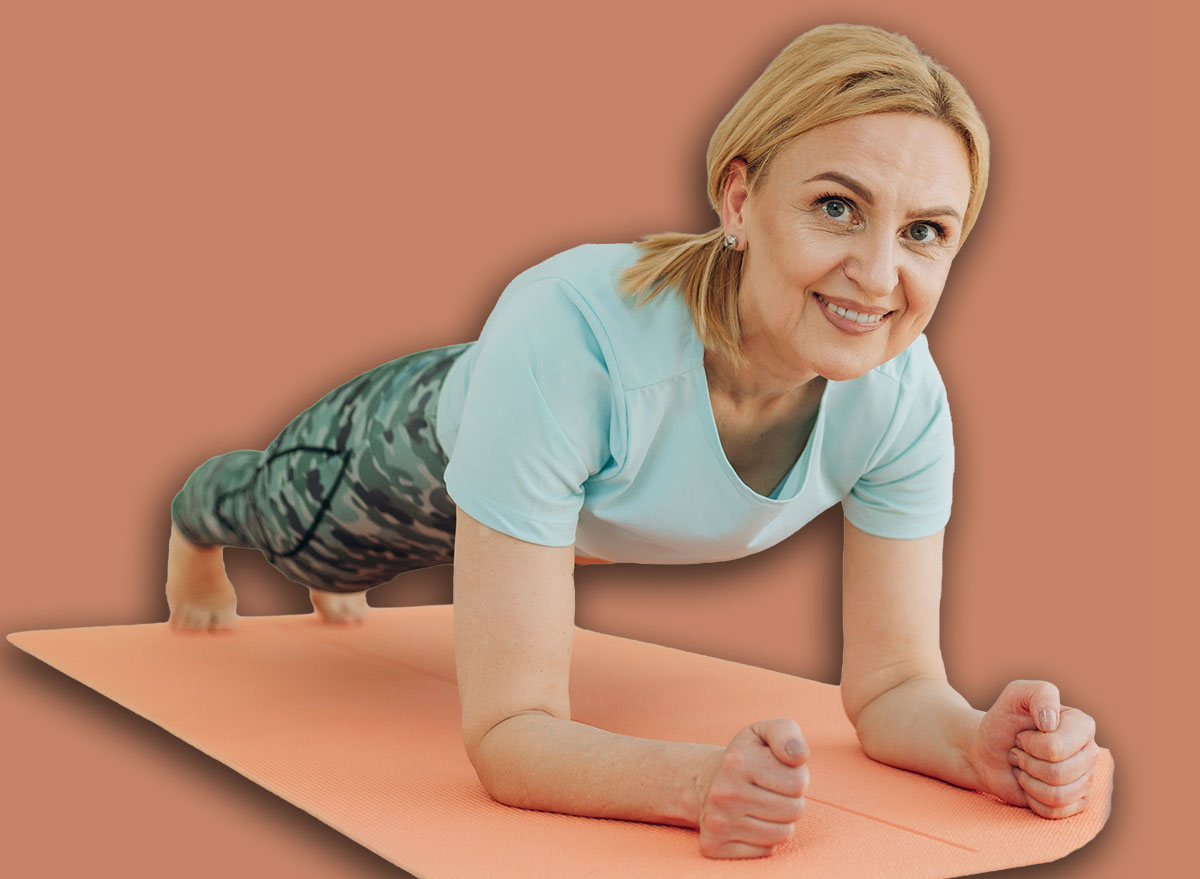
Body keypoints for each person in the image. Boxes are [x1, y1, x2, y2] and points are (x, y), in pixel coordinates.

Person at [164, 23, 1102, 860]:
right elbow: (510, 732)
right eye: (836, 206)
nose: (878, 273)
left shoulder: (904, 401)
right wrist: (695, 785)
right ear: (739, 199)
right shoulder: (565, 334)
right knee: (286, 530)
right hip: (403, 451)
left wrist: (976, 745)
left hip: (551, 498)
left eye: (926, 231)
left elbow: (897, 684)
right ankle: (193, 522)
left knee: (409, 567)